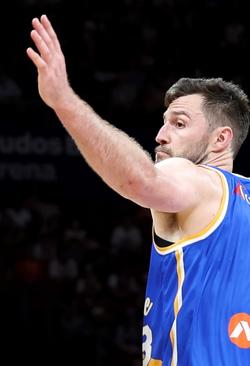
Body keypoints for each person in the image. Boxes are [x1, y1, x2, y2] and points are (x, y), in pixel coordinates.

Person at [27, 15, 250, 365]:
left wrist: (63, 101)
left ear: (221, 138)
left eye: (178, 124)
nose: (160, 136)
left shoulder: (197, 178)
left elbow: (140, 180)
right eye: (163, 123)